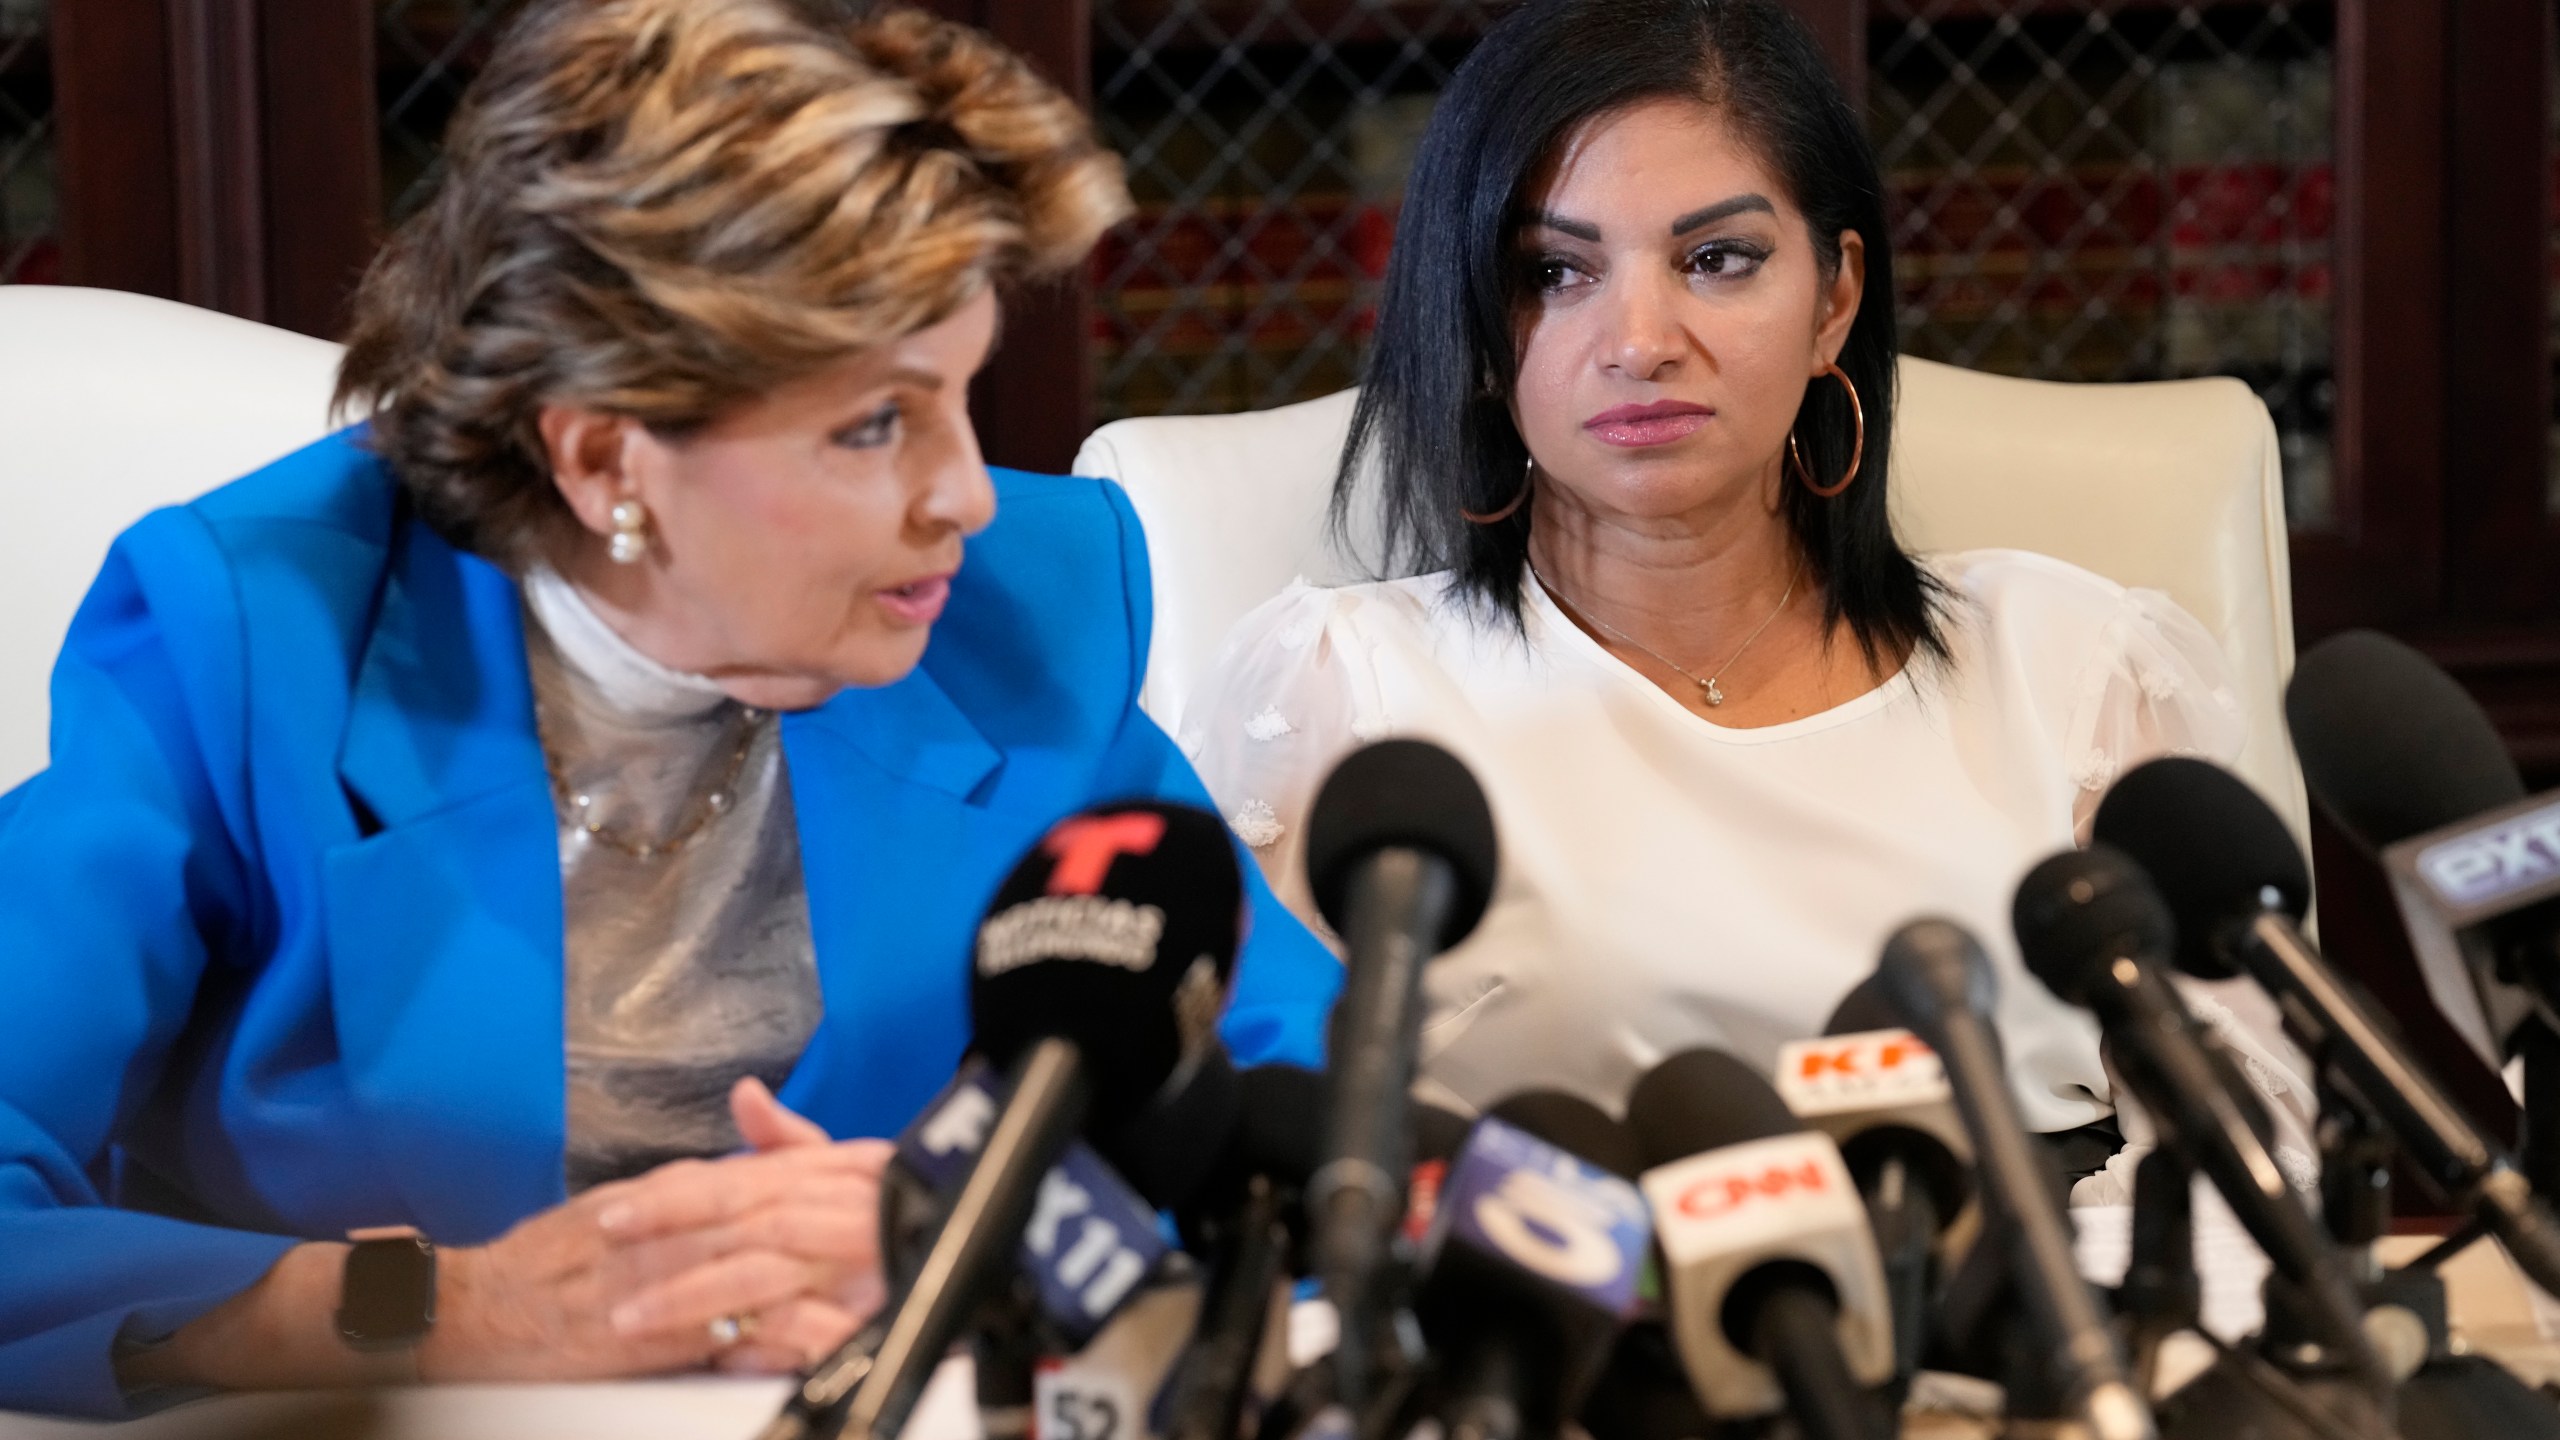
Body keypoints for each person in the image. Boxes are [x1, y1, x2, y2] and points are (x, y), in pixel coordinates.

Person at [0, 0, 1337, 1415]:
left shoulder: (1021, 621)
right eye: (875, 423)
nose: (969, 497)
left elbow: (1324, 1156)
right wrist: (439, 1310)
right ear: (601, 461)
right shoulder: (253, 642)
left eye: (958, 395)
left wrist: (999, 1250)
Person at [1184, 0, 2311, 1180]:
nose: (1639, 339)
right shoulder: (1341, 695)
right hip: (1554, 1327)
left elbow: (2253, 1141)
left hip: (2041, 1316)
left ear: (1834, 298)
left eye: (1716, 260)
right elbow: (1246, 1163)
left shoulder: (2070, 667)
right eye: (1554, 272)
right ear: (1473, 322)